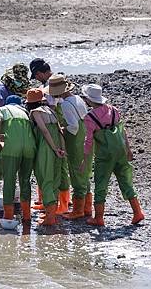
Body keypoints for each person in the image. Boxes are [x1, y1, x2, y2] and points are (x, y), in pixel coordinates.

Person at [80, 84, 145, 226]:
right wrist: (128, 149)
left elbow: (89, 141)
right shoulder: (114, 110)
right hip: (120, 150)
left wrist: (85, 160)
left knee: (101, 183)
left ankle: (98, 218)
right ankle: (137, 212)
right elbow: (122, 131)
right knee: (125, 181)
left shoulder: (90, 117)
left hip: (105, 155)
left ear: (88, 100)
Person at [45, 74, 92, 220]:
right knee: (85, 172)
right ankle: (87, 208)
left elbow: (74, 127)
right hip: (87, 137)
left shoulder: (65, 104)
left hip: (75, 141)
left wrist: (61, 131)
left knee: (76, 173)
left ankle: (78, 211)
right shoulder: (78, 98)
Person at [0, 95, 36, 222]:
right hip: (29, 147)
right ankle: (27, 216)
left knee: (9, 181)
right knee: (25, 180)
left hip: (11, 148)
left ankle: (8, 216)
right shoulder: (25, 112)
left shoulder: (3, 109)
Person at [28, 88, 66, 226]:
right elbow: (59, 130)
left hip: (46, 147)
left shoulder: (35, 112)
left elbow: (44, 131)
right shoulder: (51, 110)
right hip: (58, 145)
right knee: (55, 179)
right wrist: (62, 148)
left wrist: (54, 149)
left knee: (45, 178)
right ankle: (51, 214)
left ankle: (50, 218)